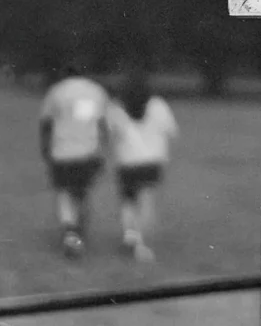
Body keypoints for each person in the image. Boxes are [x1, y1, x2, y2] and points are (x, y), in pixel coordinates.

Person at [105, 70, 179, 262]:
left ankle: (130, 237)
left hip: (127, 162)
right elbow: (172, 131)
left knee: (128, 202)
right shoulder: (158, 105)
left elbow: (111, 135)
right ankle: (142, 246)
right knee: (146, 203)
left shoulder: (116, 107)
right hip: (152, 162)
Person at [39, 64, 110, 258]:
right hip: (88, 152)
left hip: (61, 151)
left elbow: (46, 123)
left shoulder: (57, 91)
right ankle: (80, 231)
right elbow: (102, 123)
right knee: (82, 192)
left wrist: (45, 149)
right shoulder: (95, 91)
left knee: (64, 192)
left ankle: (71, 233)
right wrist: (102, 149)